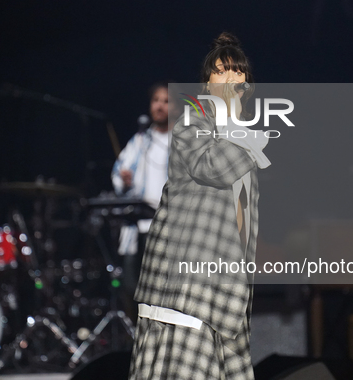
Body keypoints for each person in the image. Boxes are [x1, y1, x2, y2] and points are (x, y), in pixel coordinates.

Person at [128, 33, 270, 380]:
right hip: (185, 285)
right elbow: (213, 169)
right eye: (221, 72)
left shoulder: (241, 137)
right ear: (206, 84)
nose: (231, 79)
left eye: (238, 73)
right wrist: (248, 139)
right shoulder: (194, 121)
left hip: (225, 286)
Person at [111, 82, 175, 315]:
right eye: (156, 100)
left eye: (166, 101)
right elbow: (119, 172)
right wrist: (124, 180)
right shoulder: (139, 141)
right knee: (132, 287)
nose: (160, 106)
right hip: (137, 228)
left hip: (167, 229)